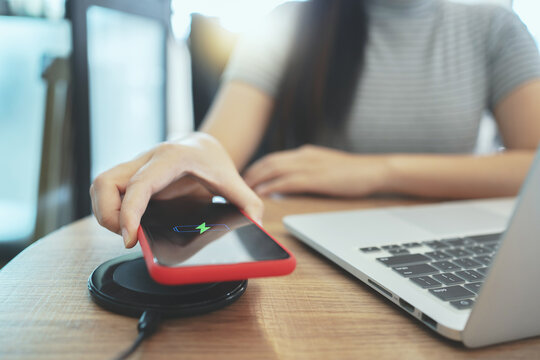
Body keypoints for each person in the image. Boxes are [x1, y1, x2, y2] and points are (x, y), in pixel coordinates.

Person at [90, 0, 540, 248]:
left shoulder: (495, 26)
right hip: (320, 246)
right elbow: (216, 144)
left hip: (451, 242)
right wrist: (186, 151)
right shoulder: (290, 19)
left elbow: (532, 163)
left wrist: (374, 171)